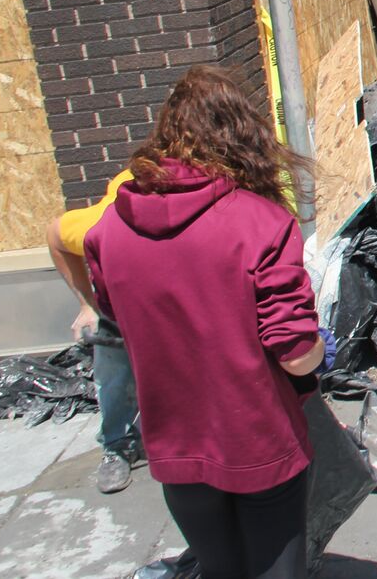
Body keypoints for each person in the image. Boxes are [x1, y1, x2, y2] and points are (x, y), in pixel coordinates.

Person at [84, 65, 325, 577]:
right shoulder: (261, 222)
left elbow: (116, 316)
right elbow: (298, 355)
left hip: (174, 445)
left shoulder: (108, 230)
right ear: (244, 137)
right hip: (259, 440)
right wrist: (319, 339)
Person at [47, 171, 142, 493]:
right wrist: (87, 303)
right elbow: (56, 234)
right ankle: (116, 445)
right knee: (114, 375)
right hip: (116, 308)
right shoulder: (100, 224)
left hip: (172, 305)